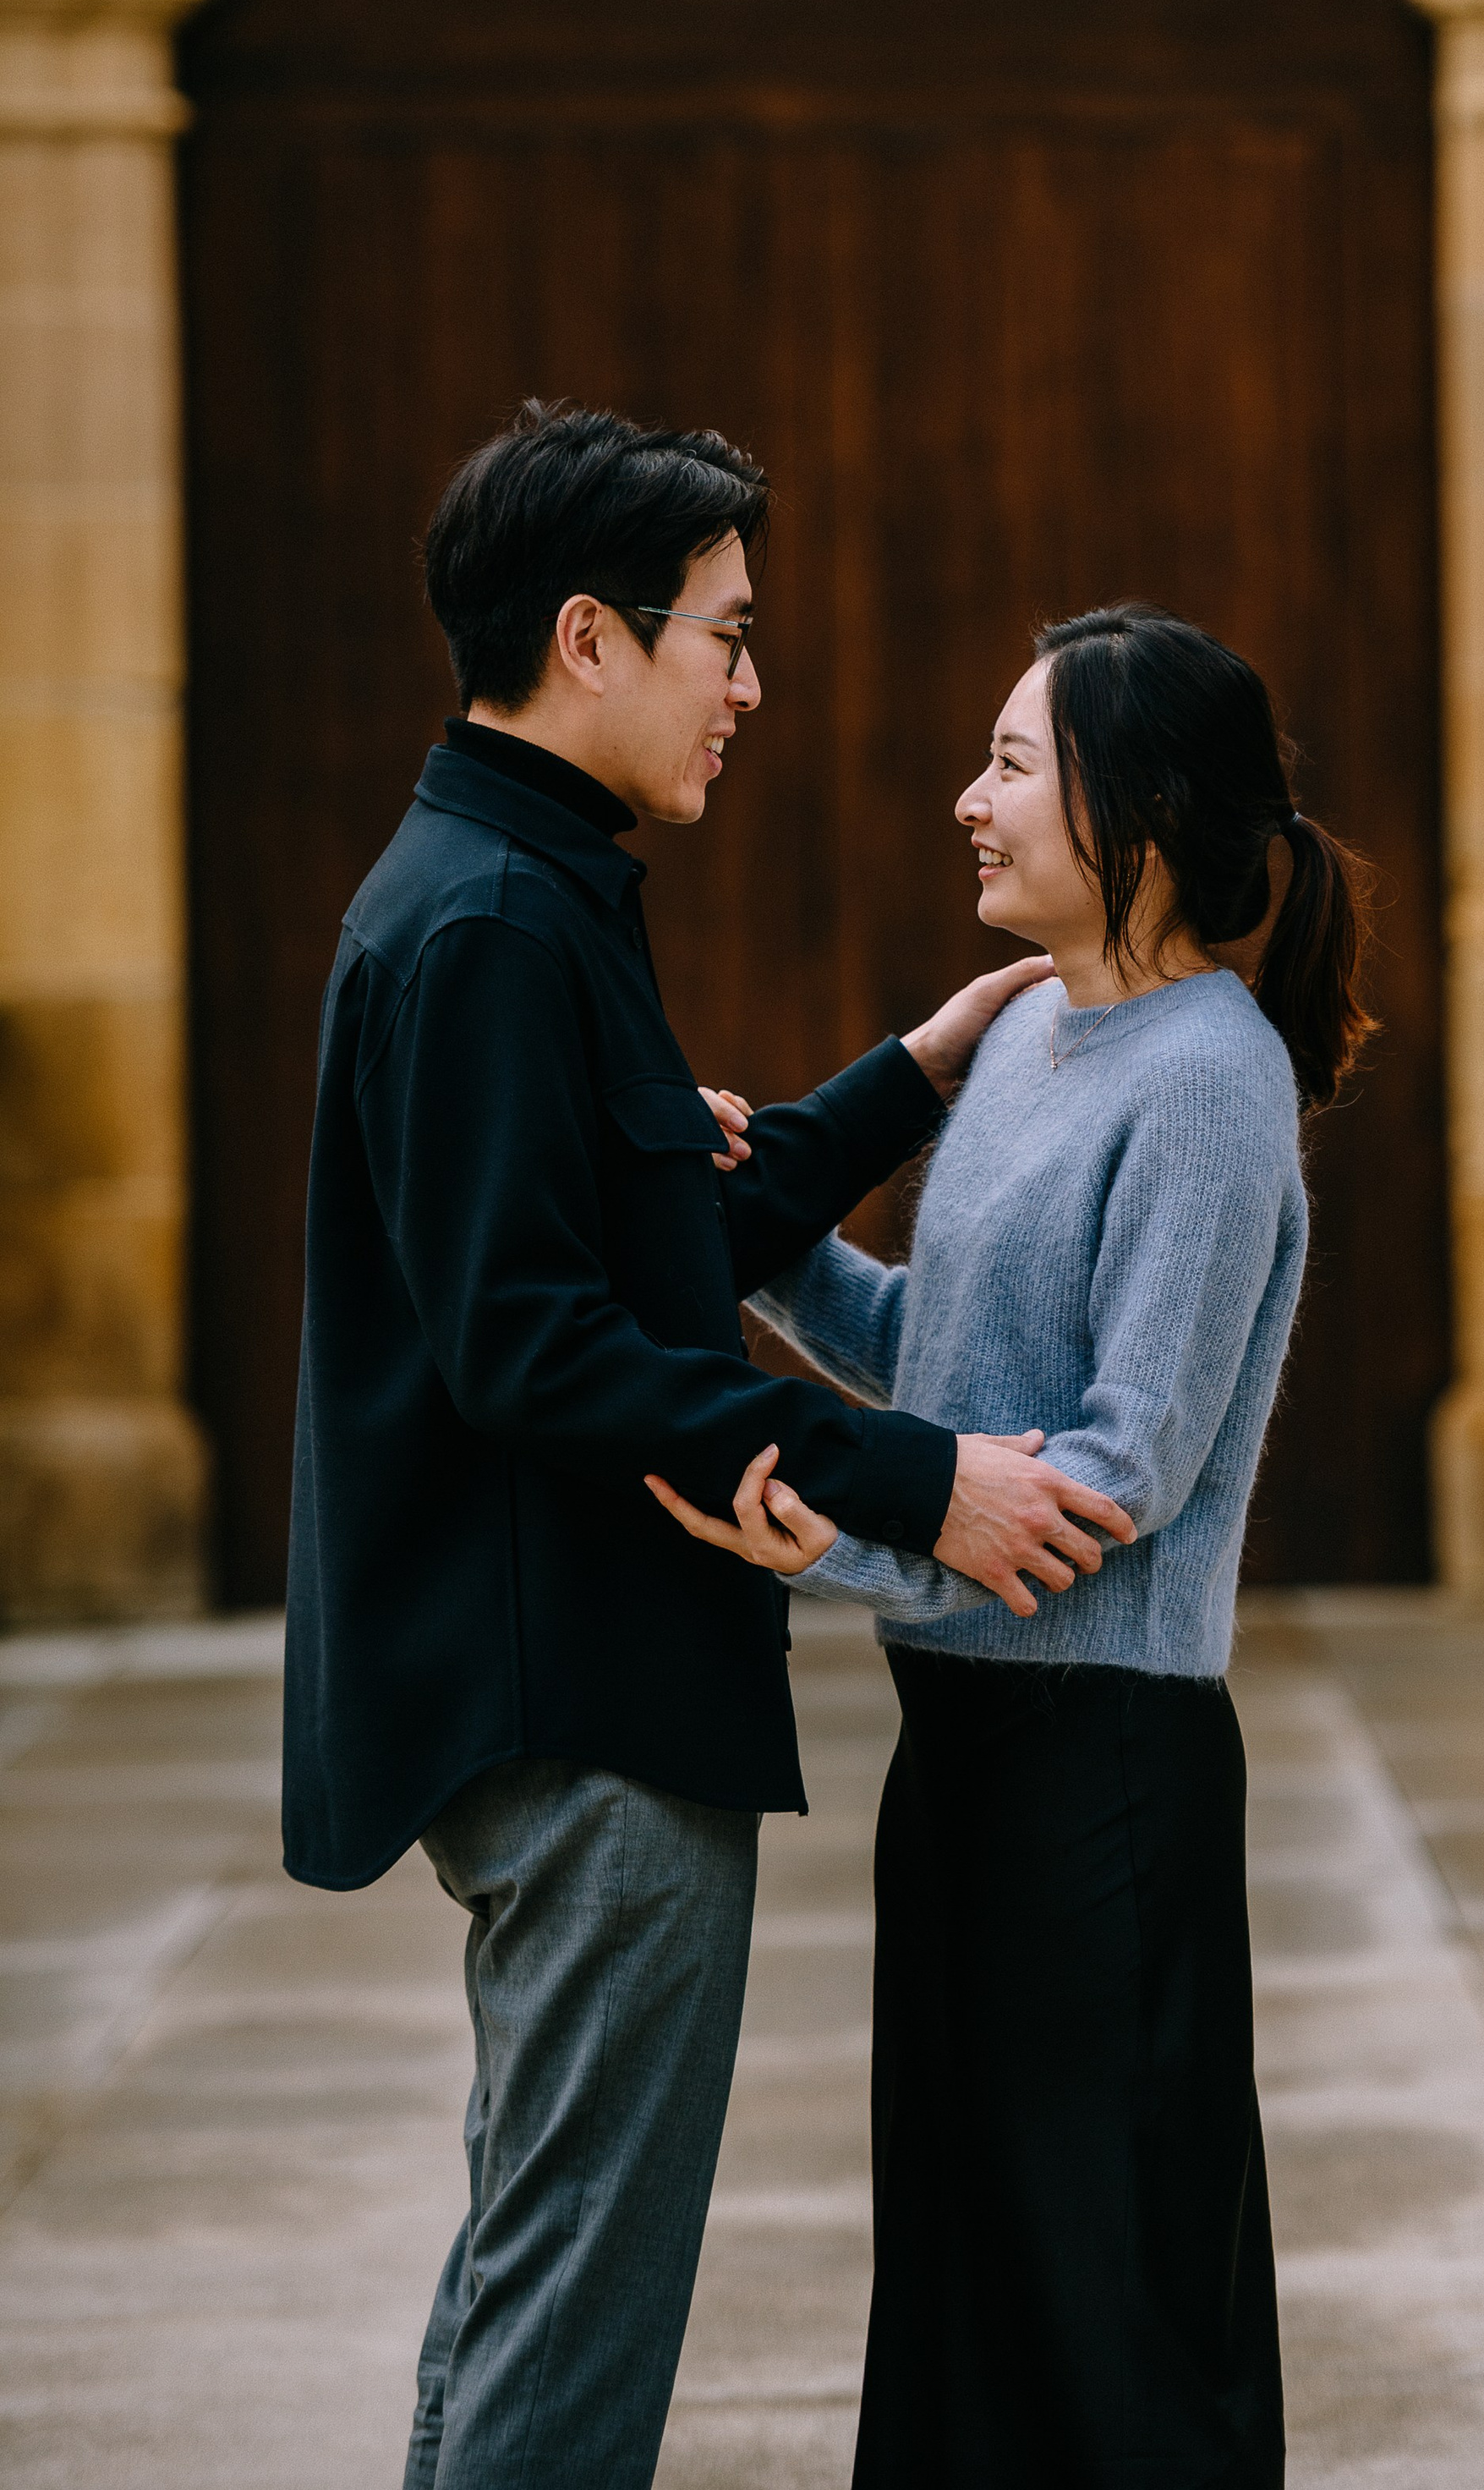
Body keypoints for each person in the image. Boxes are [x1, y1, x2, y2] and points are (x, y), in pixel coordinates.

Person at [278, 400, 1134, 2490]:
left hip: (572, 1682)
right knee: (575, 2301)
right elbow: (539, 1345)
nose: (751, 683)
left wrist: (917, 1066)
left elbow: (662, 1237)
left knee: (525, 2268)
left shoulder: (524, 880)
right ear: (589, 634)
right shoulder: (487, 921)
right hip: (579, 1709)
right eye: (722, 635)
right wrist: (918, 1474)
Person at [652, 601, 1376, 2490]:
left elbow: (1109, 1470)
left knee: (1108, 2301)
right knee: (970, 2280)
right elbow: (948, 1365)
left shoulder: (1211, 1077)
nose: (967, 801)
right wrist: (772, 1232)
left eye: (1009, 764)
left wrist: (803, 1538)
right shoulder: (1046, 1029)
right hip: (962, 1757)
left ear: (1131, 807)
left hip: (1102, 1784)